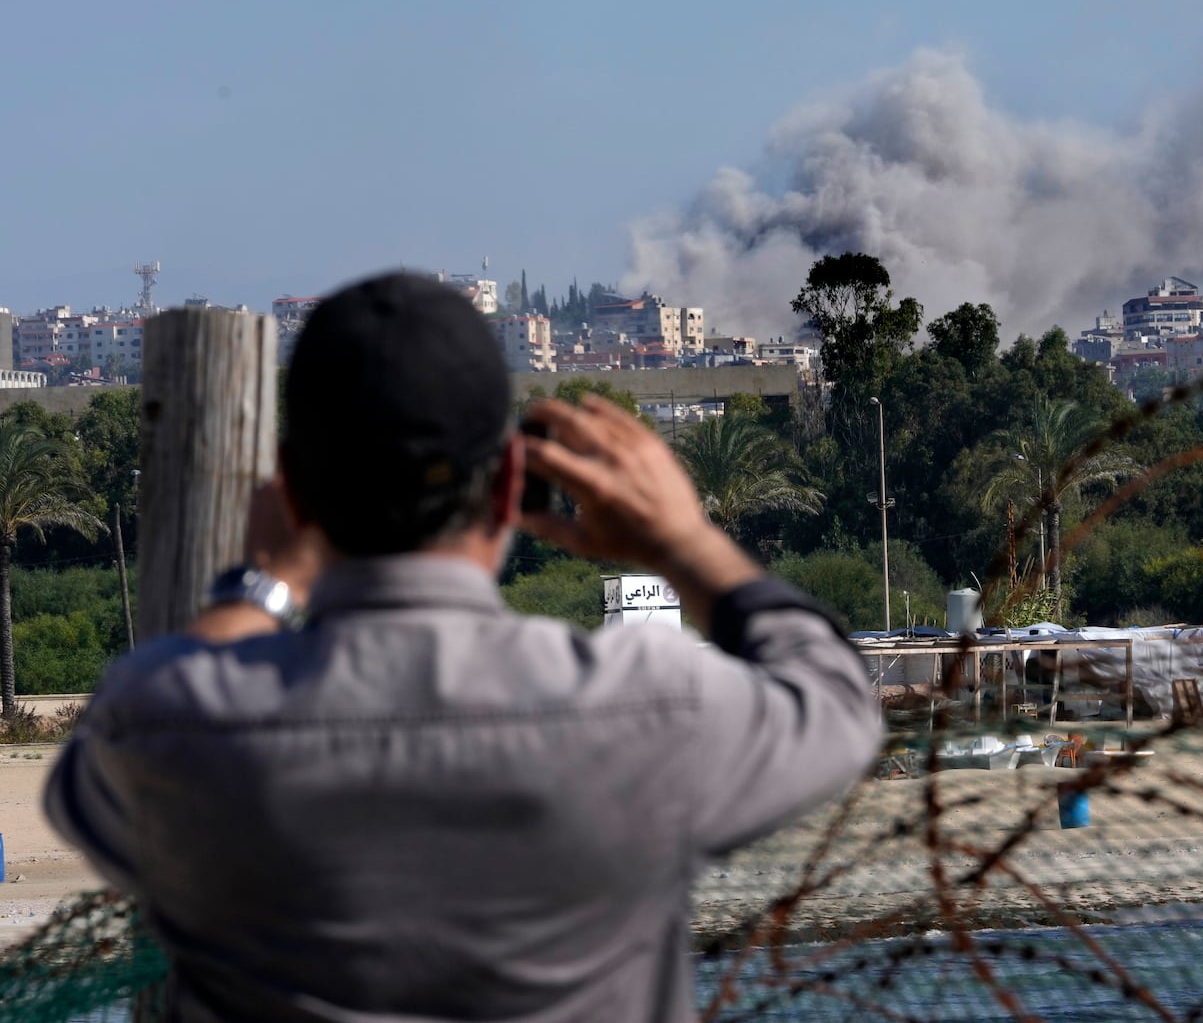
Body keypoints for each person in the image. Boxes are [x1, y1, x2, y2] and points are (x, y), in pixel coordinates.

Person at [43, 272, 882, 1022]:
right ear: (511, 482)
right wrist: (683, 540)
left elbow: (90, 773)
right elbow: (838, 700)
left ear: (294, 491)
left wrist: (263, 585)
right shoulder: (652, 706)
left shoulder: (178, 729)